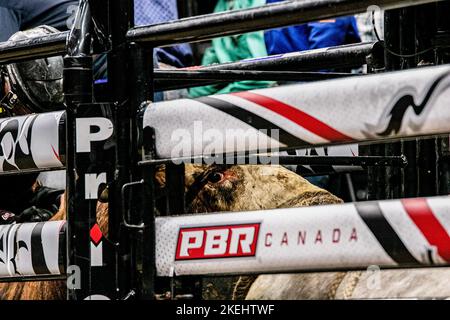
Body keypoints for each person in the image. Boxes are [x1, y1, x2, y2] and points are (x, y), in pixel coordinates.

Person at [189, 0, 361, 98]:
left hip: (313, 87)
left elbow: (325, 48)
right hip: (286, 81)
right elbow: (213, 58)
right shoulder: (224, 6)